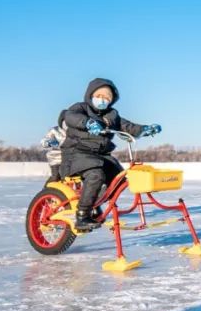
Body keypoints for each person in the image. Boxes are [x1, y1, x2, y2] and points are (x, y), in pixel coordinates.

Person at [60, 78, 161, 232]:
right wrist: (87, 123)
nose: (103, 99)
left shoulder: (112, 115)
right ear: (90, 94)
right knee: (96, 175)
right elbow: (70, 116)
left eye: (107, 98)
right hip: (77, 152)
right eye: (99, 95)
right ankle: (82, 215)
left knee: (119, 179)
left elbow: (128, 126)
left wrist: (144, 129)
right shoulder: (80, 108)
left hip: (100, 156)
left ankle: (93, 202)